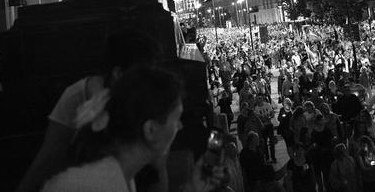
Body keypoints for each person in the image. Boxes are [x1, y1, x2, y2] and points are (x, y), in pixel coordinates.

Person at [17, 31, 162, 192]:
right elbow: (47, 159)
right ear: (118, 74)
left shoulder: (146, 98)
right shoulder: (77, 97)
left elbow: (157, 168)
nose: (151, 82)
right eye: (145, 74)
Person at [42, 66, 223, 192]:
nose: (180, 126)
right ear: (151, 130)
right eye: (176, 119)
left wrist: (192, 188)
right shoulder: (95, 185)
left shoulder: (119, 173)